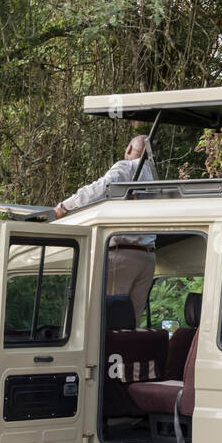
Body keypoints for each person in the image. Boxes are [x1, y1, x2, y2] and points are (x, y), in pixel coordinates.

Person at [55, 135, 156, 323]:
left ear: (128, 150)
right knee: (131, 323)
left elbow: (99, 189)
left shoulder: (127, 167)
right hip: (147, 257)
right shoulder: (153, 177)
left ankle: (108, 354)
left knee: (108, 320)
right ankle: (127, 353)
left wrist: (63, 207)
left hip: (123, 254)